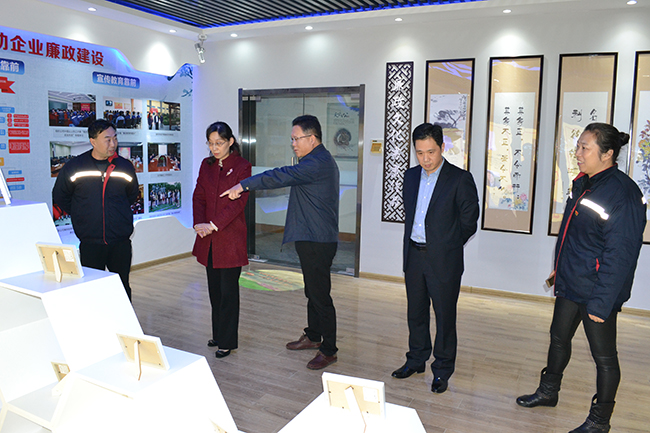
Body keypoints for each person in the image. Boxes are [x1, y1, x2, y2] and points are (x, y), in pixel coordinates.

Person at [516, 123, 646, 433]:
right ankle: (548, 392)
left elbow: (621, 256)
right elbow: (575, 235)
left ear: (607, 153)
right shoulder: (584, 183)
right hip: (571, 281)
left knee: (604, 358)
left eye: (584, 148)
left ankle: (600, 421)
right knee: (558, 339)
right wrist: (559, 267)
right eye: (578, 146)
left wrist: (602, 303)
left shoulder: (623, 194)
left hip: (597, 291)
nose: (577, 153)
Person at [221, 114, 340, 370]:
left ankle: (329, 350)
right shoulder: (316, 160)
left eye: (296, 139)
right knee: (313, 292)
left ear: (312, 138)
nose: (293, 144)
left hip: (317, 240)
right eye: (292, 139)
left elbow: (279, 175)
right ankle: (313, 335)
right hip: (311, 237)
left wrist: (243, 185)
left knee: (320, 296)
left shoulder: (316, 163)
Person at [391, 122, 479, 394]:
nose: (425, 159)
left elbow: (469, 221)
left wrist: (446, 245)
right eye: (419, 153)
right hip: (414, 255)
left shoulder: (459, 179)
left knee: (444, 317)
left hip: (444, 260)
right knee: (415, 313)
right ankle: (416, 360)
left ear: (442, 147)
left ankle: (442, 369)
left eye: (431, 152)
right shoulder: (410, 176)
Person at [52, 119, 139, 300]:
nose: (113, 144)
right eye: (107, 139)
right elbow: (61, 196)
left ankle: (123, 317)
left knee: (122, 285)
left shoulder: (124, 166)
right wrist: (81, 213)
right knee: (92, 289)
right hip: (90, 241)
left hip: (120, 241)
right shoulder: (75, 167)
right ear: (93, 141)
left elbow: (131, 195)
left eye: (115, 138)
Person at [192, 121, 251, 359]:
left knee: (228, 293)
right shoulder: (206, 165)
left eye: (219, 143)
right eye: (211, 143)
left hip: (229, 239)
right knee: (214, 291)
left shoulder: (242, 166)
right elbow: (199, 196)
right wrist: (199, 223)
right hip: (208, 240)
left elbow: (238, 204)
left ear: (230, 142)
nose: (214, 148)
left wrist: (213, 225)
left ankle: (227, 341)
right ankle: (218, 334)